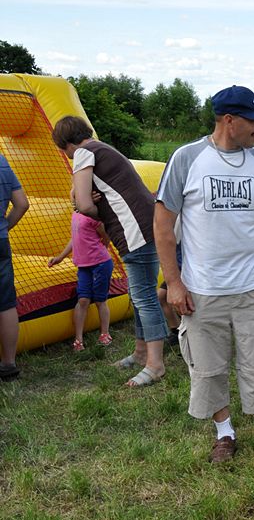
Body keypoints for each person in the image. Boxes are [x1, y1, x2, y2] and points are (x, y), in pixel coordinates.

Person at [154, 85, 254, 463]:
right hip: (203, 288)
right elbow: (161, 224)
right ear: (229, 120)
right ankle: (224, 433)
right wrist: (174, 281)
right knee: (207, 364)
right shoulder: (187, 159)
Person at [52, 116, 168, 388]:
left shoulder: (83, 152)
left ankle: (155, 364)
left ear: (67, 145)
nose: (68, 157)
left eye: (64, 152)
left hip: (133, 231)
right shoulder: (104, 148)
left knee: (144, 296)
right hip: (147, 226)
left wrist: (83, 205)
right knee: (142, 294)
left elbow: (83, 203)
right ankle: (141, 353)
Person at [47, 188, 114, 351]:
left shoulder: (93, 217)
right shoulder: (75, 214)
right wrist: (60, 257)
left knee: (100, 300)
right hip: (83, 265)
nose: (73, 199)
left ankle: (105, 333)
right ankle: (78, 338)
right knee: (82, 300)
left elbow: (105, 236)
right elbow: (74, 239)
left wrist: (100, 252)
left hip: (100, 263)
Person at [0, 154, 29, 382]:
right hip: (0, 241)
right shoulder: (1, 160)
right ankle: (9, 364)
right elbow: (22, 203)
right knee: (6, 303)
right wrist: (4, 228)